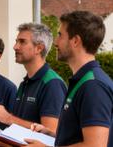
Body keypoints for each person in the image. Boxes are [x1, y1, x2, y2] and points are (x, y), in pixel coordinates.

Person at [26, 11, 113, 147]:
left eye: (60, 35)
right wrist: (55, 135)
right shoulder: (84, 80)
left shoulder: (93, 86)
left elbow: (95, 145)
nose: (55, 42)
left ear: (75, 41)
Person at [0, 23, 66, 146]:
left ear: (39, 48)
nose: (15, 47)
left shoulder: (52, 84)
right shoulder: (24, 83)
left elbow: (49, 135)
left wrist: (8, 118)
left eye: (22, 42)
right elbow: (20, 134)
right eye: (16, 41)